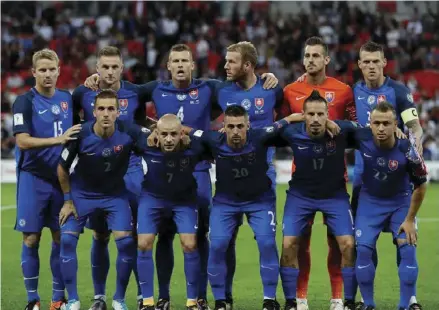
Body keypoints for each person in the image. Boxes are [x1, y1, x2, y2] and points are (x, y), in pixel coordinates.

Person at [84, 43, 279, 310]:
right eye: (174, 61)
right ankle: (162, 297)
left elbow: (243, 83)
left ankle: (205, 297)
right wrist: (99, 79)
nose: (179, 65)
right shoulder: (153, 89)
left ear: (192, 65)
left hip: (196, 172)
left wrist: (267, 77)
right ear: (168, 66)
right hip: (161, 174)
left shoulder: (210, 88)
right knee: (164, 236)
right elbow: (124, 90)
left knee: (203, 238)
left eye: (184, 61)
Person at [186, 105, 312, 310]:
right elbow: (189, 131)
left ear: (248, 126)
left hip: (259, 201)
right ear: (223, 127)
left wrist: (290, 117)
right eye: (231, 127)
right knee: (217, 245)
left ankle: (269, 300)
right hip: (225, 202)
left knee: (266, 243)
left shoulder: (260, 136)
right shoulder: (213, 140)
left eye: (240, 126)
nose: (236, 131)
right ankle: (220, 301)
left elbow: (278, 125)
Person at [73, 46, 151, 310]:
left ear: (122, 68)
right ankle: (99, 297)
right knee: (100, 234)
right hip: (99, 174)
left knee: (139, 235)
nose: (108, 72)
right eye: (103, 67)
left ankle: (143, 296)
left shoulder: (137, 92)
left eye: (113, 66)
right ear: (96, 68)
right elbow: (77, 132)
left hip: (131, 171)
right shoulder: (83, 93)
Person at [282, 36, 356, 310]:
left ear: (326, 60)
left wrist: (335, 123)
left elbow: (356, 126)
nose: (311, 60)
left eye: (316, 55)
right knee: (299, 242)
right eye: (307, 55)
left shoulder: (344, 90)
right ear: (303, 60)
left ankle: (337, 298)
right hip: (301, 176)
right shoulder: (290, 90)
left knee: (337, 242)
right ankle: (300, 298)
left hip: (336, 178)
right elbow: (280, 126)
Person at [212, 41, 284, 309]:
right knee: (222, 242)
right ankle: (223, 298)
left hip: (262, 178)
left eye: (232, 61)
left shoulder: (272, 90)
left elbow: (287, 120)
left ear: (248, 65)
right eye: (226, 60)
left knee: (266, 241)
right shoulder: (218, 90)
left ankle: (269, 300)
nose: (225, 66)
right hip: (228, 178)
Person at [352, 41, 424, 310]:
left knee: (405, 243)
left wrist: (414, 147)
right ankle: (363, 300)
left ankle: (411, 298)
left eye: (375, 61)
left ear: (384, 63)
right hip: (363, 180)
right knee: (364, 245)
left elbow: (415, 127)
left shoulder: (399, 91)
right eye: (366, 62)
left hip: (397, 179)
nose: (371, 66)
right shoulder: (353, 92)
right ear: (360, 65)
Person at [12, 48, 81, 310]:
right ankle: (32, 300)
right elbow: (22, 141)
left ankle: (57, 299)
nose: (47, 74)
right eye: (42, 70)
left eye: (52, 69)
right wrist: (58, 139)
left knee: (60, 238)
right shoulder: (24, 102)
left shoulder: (67, 99)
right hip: (33, 178)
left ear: (59, 70)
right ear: (33, 73)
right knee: (31, 239)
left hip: (61, 179)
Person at [136, 114, 208, 310]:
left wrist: (194, 134)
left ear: (181, 134)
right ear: (156, 133)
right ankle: (148, 301)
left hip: (183, 201)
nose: (168, 139)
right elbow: (125, 127)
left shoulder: (195, 148)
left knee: (190, 244)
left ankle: (192, 302)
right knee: (143, 244)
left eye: (173, 134)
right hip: (152, 199)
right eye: (164, 134)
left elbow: (213, 139)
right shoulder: (145, 143)